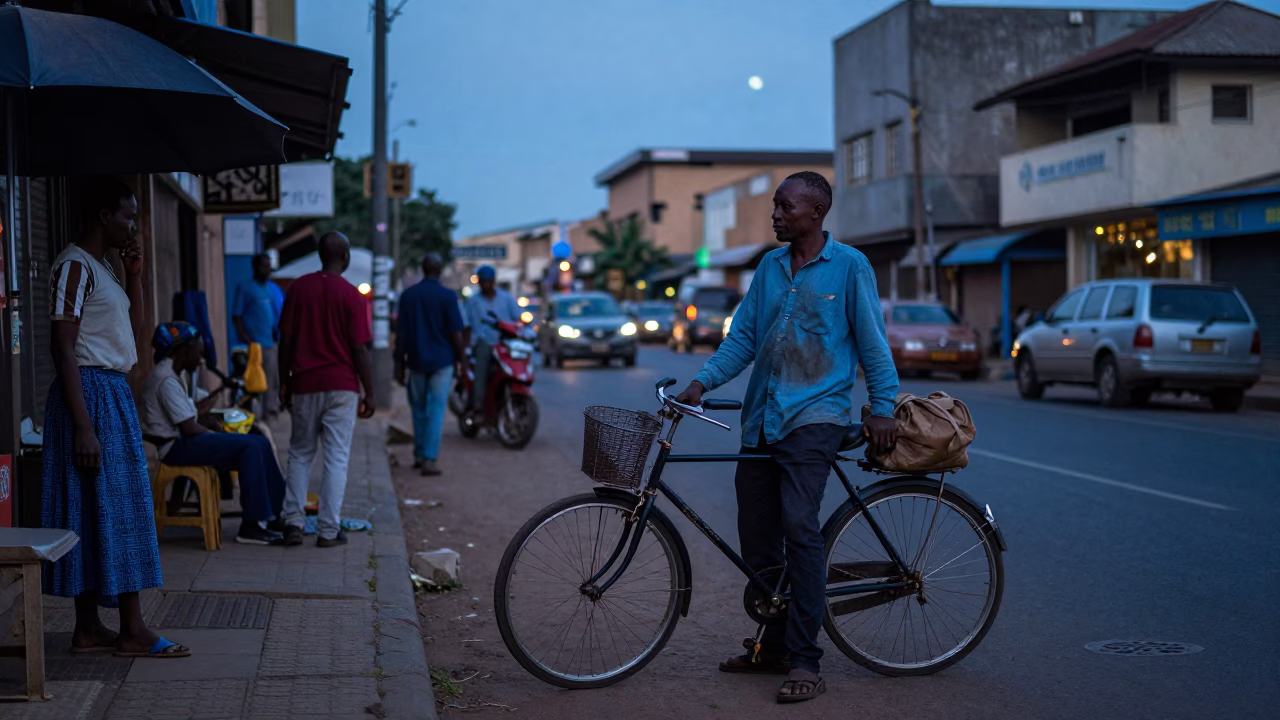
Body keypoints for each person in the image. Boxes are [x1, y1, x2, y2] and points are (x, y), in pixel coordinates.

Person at [673, 171, 898, 704]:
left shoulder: (849, 267)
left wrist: (882, 407)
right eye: (775, 206)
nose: (776, 215)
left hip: (814, 417)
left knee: (800, 530)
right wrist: (701, 382)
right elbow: (743, 339)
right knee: (757, 541)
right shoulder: (770, 267)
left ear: (816, 213)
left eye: (785, 207)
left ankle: (805, 659)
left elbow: (873, 342)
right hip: (762, 420)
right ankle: (772, 645)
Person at [42, 176, 189, 658]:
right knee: (118, 509)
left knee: (103, 506)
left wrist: (136, 276)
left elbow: (135, 333)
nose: (133, 226)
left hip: (111, 391)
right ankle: (131, 629)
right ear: (104, 216)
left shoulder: (103, 268)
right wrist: (83, 426)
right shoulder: (73, 268)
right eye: (128, 216)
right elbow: (62, 349)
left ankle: (89, 630)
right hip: (89, 395)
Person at [141, 321, 286, 546]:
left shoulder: (175, 374)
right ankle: (252, 526)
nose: (201, 360)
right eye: (198, 353)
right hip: (175, 447)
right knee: (249, 446)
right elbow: (189, 427)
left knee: (259, 441)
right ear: (183, 350)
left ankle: (275, 515)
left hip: (184, 441)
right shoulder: (166, 379)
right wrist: (215, 432)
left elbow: (192, 411)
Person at [277, 232, 375, 548]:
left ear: (321, 255)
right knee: (336, 457)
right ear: (344, 258)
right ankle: (328, 531)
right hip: (342, 386)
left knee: (300, 453)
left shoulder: (298, 288)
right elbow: (360, 349)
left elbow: (286, 342)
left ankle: (292, 524)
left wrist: (284, 381)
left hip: (304, 384)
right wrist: (368, 391)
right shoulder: (350, 295)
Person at [395, 253, 467, 476]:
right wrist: (462, 360)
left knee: (418, 409)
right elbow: (456, 333)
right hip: (441, 361)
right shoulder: (447, 296)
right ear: (440, 270)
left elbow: (401, 334)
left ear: (423, 269)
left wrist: (398, 363)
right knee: (436, 410)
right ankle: (429, 458)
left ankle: (418, 454)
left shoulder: (408, 296)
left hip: (415, 361)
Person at [461, 265, 521, 412]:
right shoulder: (472, 301)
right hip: (483, 342)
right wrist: (465, 348)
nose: (486, 284)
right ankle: (478, 403)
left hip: (505, 343)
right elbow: (466, 325)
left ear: (494, 281)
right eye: (483, 281)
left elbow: (517, 319)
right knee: (483, 363)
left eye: (489, 281)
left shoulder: (506, 298)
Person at [232, 253, 281, 419]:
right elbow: (236, 316)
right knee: (253, 382)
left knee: (271, 380)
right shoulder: (245, 287)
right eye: (264, 266)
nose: (267, 270)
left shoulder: (271, 289)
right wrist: (245, 338)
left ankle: (270, 412)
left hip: (269, 344)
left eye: (269, 267)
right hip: (252, 346)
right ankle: (253, 415)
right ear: (255, 267)